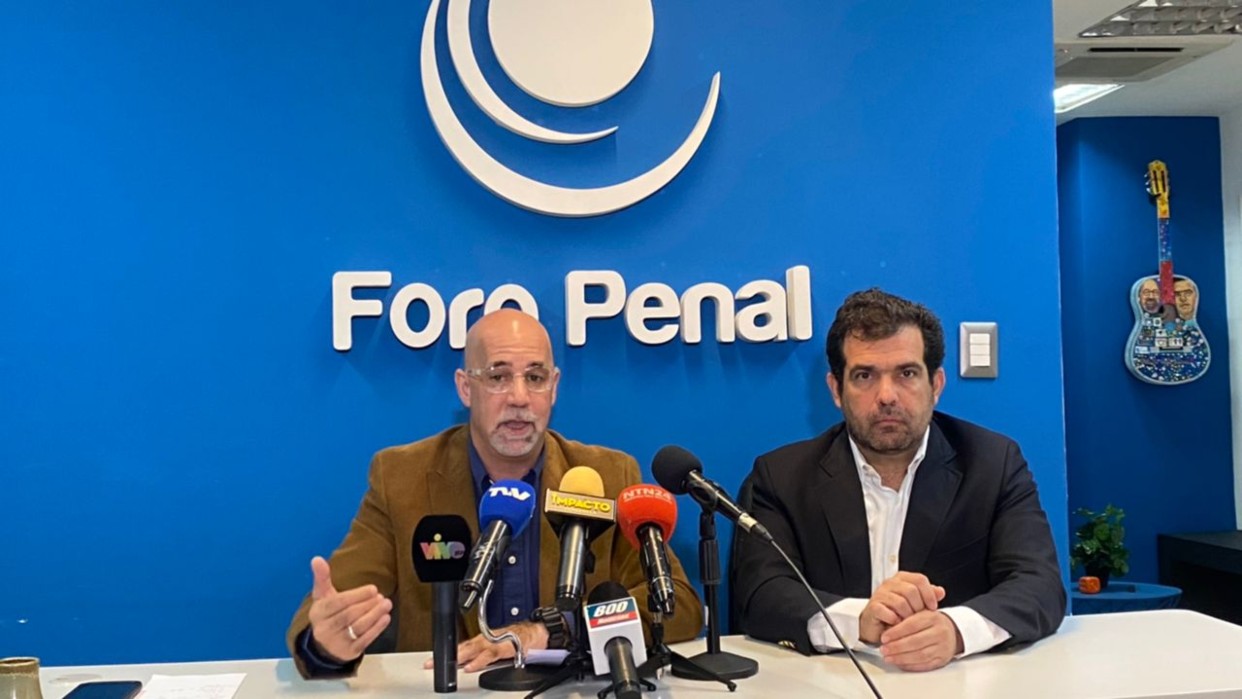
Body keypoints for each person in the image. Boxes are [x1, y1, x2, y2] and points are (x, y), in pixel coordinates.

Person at [286, 309, 703, 678]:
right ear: (466, 388)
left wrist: (552, 630)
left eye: (535, 378)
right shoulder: (401, 478)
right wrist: (326, 645)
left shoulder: (605, 476)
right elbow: (330, 612)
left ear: (554, 387)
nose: (519, 398)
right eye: (498, 377)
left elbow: (679, 606)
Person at [733, 289, 1064, 672]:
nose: (886, 396)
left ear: (936, 385)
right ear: (836, 390)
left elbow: (1038, 584)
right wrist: (858, 621)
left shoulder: (993, 463)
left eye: (906, 374)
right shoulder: (781, 476)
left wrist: (955, 630)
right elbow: (761, 594)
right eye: (865, 376)